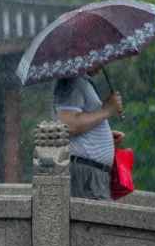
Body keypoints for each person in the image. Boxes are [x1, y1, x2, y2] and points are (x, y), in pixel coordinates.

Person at [53, 68, 124, 200]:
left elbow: (80, 121)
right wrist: (108, 110)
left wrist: (106, 137)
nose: (103, 63)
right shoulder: (72, 81)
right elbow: (68, 125)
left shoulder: (82, 81)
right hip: (86, 174)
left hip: (94, 173)